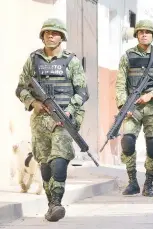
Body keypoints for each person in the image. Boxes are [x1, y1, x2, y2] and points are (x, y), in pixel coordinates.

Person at [15, 18, 89, 222]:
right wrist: (33, 103)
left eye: (54, 33)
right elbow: (20, 88)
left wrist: (69, 111)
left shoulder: (71, 61)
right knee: (45, 164)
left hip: (64, 119)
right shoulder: (33, 60)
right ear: (42, 36)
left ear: (62, 37)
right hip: (40, 120)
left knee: (59, 160)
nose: (50, 35)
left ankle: (57, 202)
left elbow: (83, 92)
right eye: (46, 32)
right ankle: (51, 204)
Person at [116, 19, 153, 197]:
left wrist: (151, 95)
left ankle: (148, 183)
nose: (144, 34)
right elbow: (120, 84)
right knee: (127, 141)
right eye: (140, 32)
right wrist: (124, 105)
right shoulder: (127, 56)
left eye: (147, 32)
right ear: (136, 35)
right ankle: (132, 181)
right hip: (132, 107)